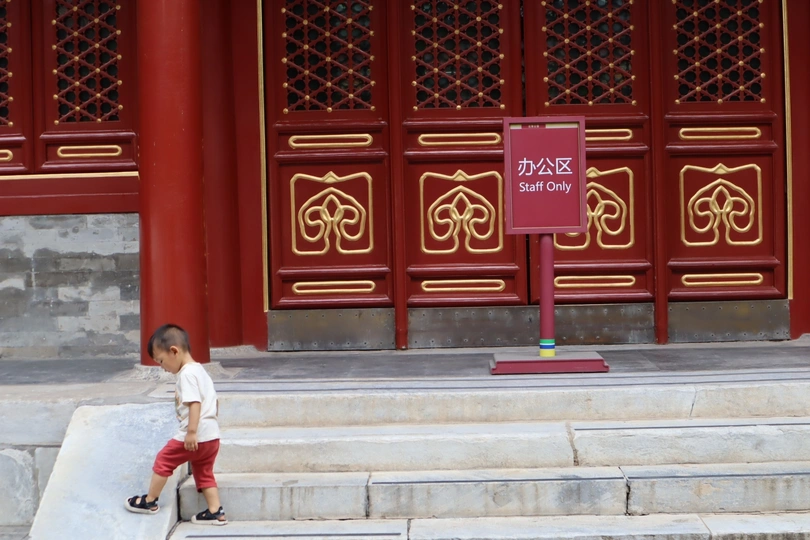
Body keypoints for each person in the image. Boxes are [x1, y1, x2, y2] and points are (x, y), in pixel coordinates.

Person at [125, 324, 227, 526]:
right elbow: (214, 402)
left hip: (194, 435)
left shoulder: (187, 374)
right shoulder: (200, 371)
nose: (163, 367)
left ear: (174, 351)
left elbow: (194, 403)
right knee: (204, 472)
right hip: (211, 437)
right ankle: (216, 511)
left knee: (164, 460)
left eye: (161, 361)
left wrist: (191, 432)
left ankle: (150, 500)